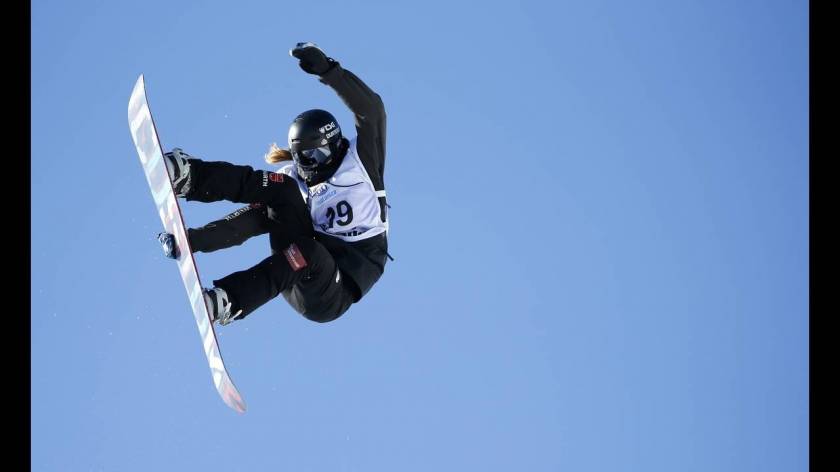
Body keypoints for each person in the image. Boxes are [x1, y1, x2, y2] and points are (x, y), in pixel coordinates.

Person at [158, 42, 389, 326]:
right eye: (307, 157)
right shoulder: (296, 181)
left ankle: (230, 300)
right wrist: (193, 240)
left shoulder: (361, 160)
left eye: (323, 152)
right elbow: (252, 221)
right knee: (280, 188)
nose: (317, 162)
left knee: (310, 252)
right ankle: (190, 177)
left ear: (336, 143)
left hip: (331, 292)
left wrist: (329, 71)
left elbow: (373, 111)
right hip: (294, 268)